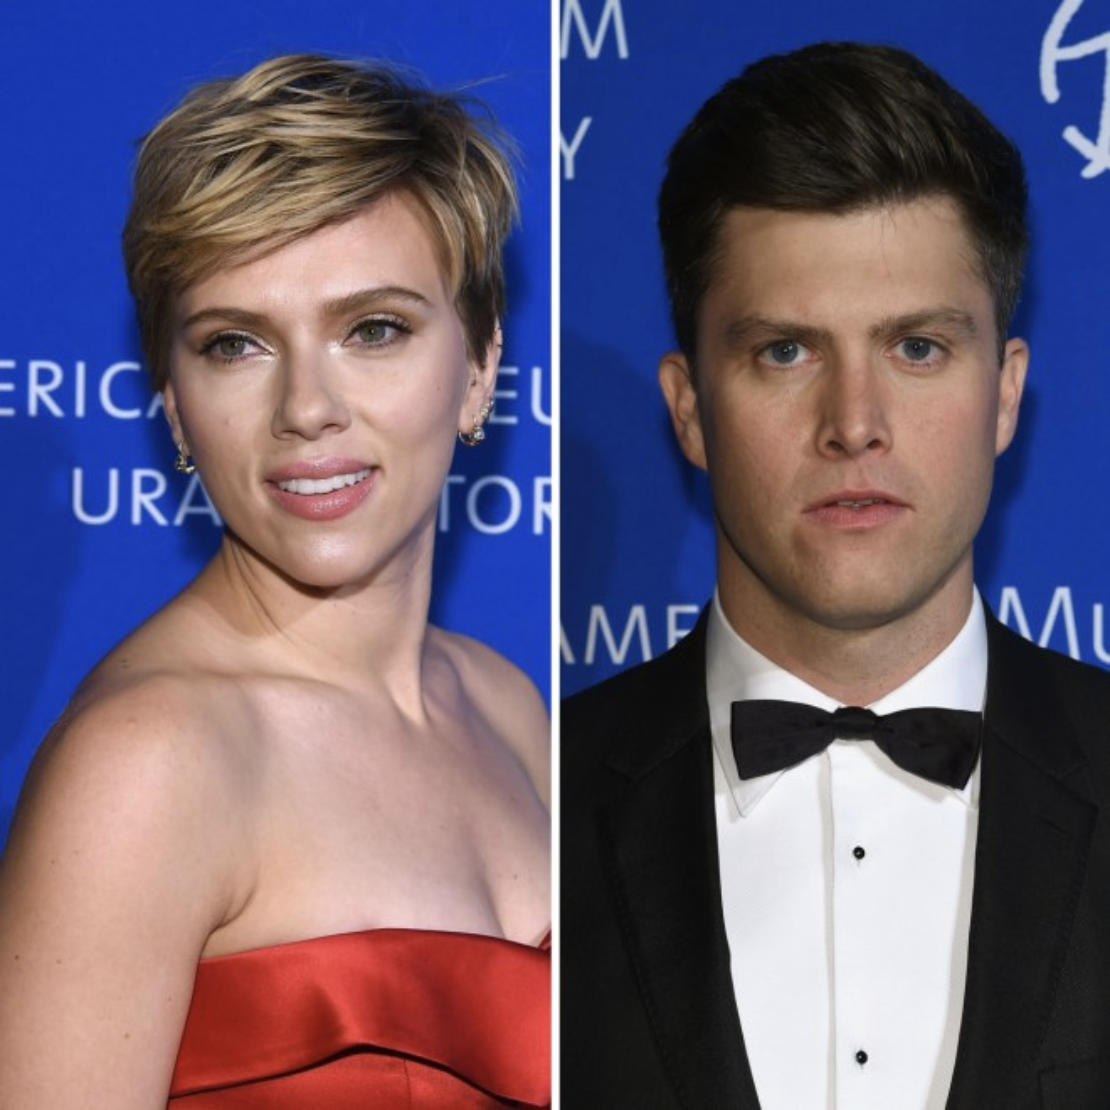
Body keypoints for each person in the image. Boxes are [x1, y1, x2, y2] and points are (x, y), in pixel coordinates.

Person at [562, 41, 1110, 1109]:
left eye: (917, 348)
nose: (854, 423)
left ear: (1006, 395)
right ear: (689, 409)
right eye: (785, 352)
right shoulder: (539, 802)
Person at [0, 54, 550, 1108]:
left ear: (480, 366)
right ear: (174, 402)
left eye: (373, 329)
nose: (306, 407)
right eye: (236, 344)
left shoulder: (507, 704)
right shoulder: (147, 765)